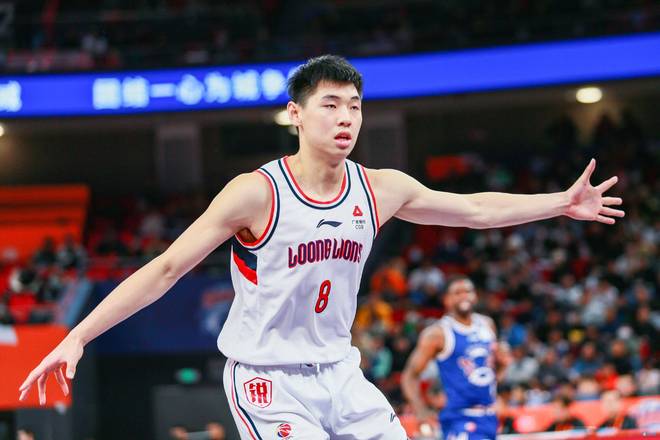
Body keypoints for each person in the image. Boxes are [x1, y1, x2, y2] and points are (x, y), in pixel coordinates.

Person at [17, 55, 624, 439]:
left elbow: (473, 209)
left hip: (340, 372)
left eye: (354, 107)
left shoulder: (380, 188)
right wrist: (77, 336)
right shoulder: (256, 193)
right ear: (296, 115)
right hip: (267, 380)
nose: (345, 118)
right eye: (330, 105)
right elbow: (168, 267)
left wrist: (559, 203)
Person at [401, 276, 510, 440]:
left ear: (475, 296)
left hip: (489, 416)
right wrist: (420, 410)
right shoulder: (437, 333)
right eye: (457, 292)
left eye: (468, 291)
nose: (464, 296)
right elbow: (409, 376)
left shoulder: (487, 324)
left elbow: (493, 375)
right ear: (447, 299)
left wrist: (503, 365)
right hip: (459, 418)